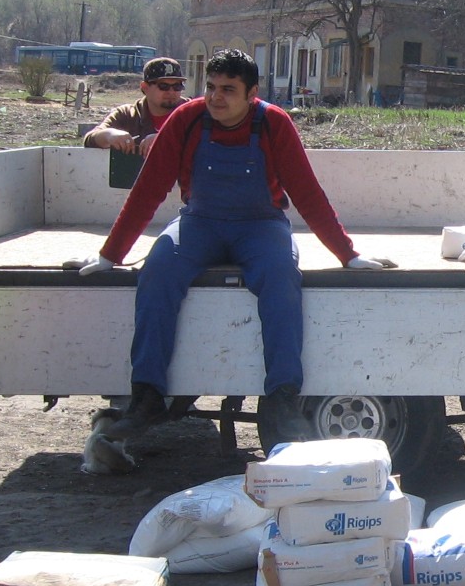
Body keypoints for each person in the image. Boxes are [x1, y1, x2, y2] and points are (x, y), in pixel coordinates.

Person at [77, 48, 388, 442]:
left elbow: (307, 193)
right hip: (199, 223)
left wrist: (348, 255)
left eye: (228, 89)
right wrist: (110, 256)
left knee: (281, 279)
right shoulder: (185, 120)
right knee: (157, 272)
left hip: (261, 227)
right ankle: (147, 397)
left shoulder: (274, 123)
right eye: (210, 87)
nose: (215, 97)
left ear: (252, 93)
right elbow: (148, 190)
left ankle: (283, 399)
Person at [83, 56, 188, 155]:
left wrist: (163, 139)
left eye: (177, 86)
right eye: (163, 86)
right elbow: (90, 140)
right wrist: (109, 135)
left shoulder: (192, 113)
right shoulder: (127, 114)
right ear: (145, 87)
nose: (171, 92)